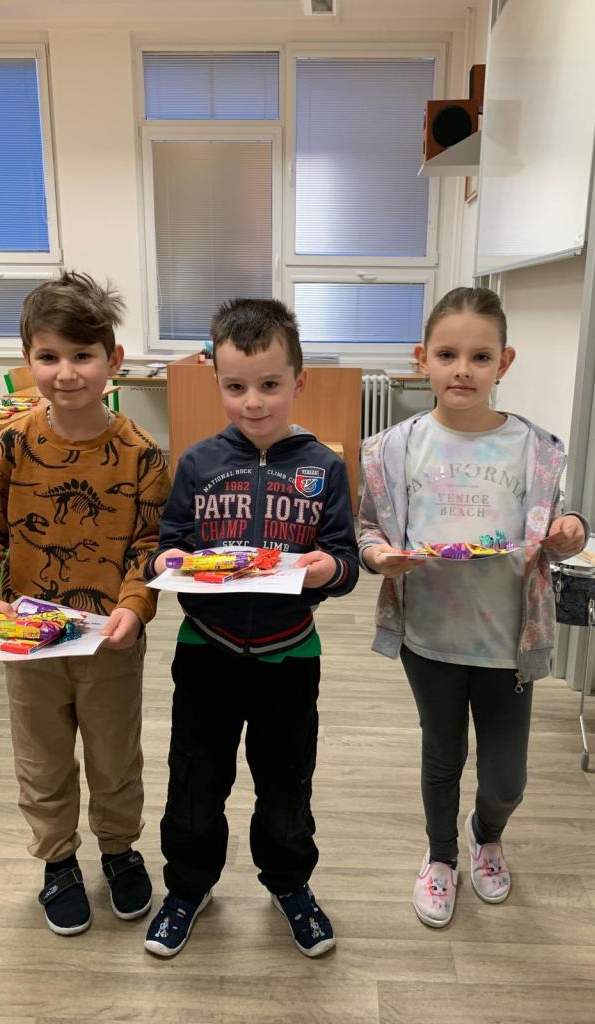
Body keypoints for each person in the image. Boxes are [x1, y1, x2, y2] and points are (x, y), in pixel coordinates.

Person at [358, 287, 588, 928]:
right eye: (447, 354)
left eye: (480, 357)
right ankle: (441, 857)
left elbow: (562, 521)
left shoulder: (536, 448)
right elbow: (368, 527)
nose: (462, 369)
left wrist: (572, 529)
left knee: (507, 778)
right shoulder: (393, 448)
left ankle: (487, 832)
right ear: (422, 359)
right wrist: (378, 556)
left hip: (508, 640)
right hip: (429, 634)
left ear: (503, 363)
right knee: (442, 755)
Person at [0, 271, 171, 936]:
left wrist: (135, 606)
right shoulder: (9, 446)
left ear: (113, 360)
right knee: (41, 759)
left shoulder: (141, 455)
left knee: (115, 757)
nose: (66, 373)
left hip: (109, 643)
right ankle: (57, 861)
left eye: (82, 355)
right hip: (28, 643)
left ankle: (119, 849)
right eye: (49, 357)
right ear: (28, 361)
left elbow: (150, 546)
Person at [143, 297, 358, 959]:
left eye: (269, 385)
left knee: (286, 781)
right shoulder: (197, 463)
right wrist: (167, 562)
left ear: (299, 381)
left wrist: (328, 569)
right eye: (235, 387)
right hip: (205, 651)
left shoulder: (324, 468)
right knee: (194, 780)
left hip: (289, 655)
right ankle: (188, 888)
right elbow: (168, 543)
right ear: (217, 382)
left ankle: (290, 884)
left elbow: (346, 559)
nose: (253, 402)